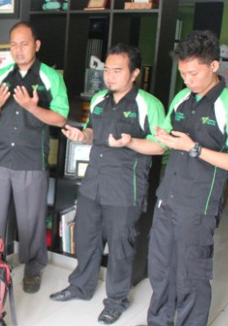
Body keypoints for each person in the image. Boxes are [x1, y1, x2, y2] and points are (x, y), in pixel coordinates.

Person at [49, 43, 166, 325]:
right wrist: (81, 137)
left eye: (117, 70)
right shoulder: (100, 98)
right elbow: (92, 132)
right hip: (93, 184)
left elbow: (161, 146)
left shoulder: (148, 104)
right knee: (87, 240)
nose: (109, 76)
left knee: (120, 248)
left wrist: (131, 142)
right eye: (107, 70)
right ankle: (81, 286)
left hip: (125, 190)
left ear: (134, 73)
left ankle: (116, 300)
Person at [143, 30, 228, 326]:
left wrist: (193, 148)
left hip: (199, 204)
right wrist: (159, 137)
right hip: (168, 196)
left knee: (191, 275)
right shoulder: (181, 97)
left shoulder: (225, 103)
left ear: (214, 66)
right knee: (160, 267)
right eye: (183, 74)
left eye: (193, 74)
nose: (187, 81)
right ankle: (159, 321)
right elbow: (165, 142)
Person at [0, 21, 69, 294]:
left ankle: (32, 269)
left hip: (31, 159)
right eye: (13, 45)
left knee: (31, 219)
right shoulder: (1, 75)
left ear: (36, 45)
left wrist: (33, 107)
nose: (18, 50)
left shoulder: (49, 77)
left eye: (24, 44)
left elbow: (60, 117)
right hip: (1, 157)